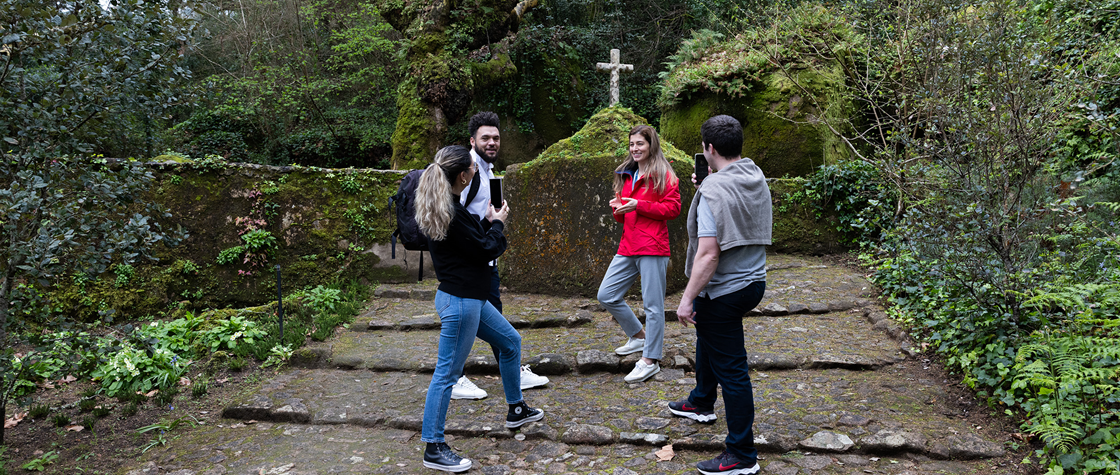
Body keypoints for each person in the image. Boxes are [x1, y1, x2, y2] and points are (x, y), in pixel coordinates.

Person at [414, 145, 545, 473]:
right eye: (473, 167)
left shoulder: (450, 207)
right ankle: (433, 445)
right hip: (460, 304)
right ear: (463, 175)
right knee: (446, 375)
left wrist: (488, 222)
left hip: (469, 299)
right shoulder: (452, 214)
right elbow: (486, 248)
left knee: (510, 342)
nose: (477, 170)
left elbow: (473, 248)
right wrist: (499, 223)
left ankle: (516, 409)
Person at [670, 115, 770, 475]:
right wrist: (711, 182)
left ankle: (742, 454)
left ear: (708, 148)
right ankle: (701, 401)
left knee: (734, 371)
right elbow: (735, 201)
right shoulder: (753, 175)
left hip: (725, 288)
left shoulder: (713, 192)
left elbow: (709, 253)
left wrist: (685, 298)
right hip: (753, 282)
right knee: (707, 330)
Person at [450, 111, 549, 400]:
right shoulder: (469, 171)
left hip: (484, 258)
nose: (492, 142)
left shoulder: (487, 170)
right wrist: (492, 225)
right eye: (486, 138)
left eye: (496, 138)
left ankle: (506, 369)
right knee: (476, 319)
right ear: (472, 140)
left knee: (487, 317)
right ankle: (456, 377)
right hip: (473, 261)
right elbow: (455, 214)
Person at [596, 125, 681, 383]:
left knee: (653, 306)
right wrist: (618, 209)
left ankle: (650, 359)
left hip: (653, 245)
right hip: (629, 244)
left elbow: (673, 208)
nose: (635, 148)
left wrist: (639, 205)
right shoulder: (627, 173)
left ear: (650, 145)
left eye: (640, 144)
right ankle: (637, 336)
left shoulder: (664, 173)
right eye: (632, 144)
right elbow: (624, 215)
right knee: (606, 294)